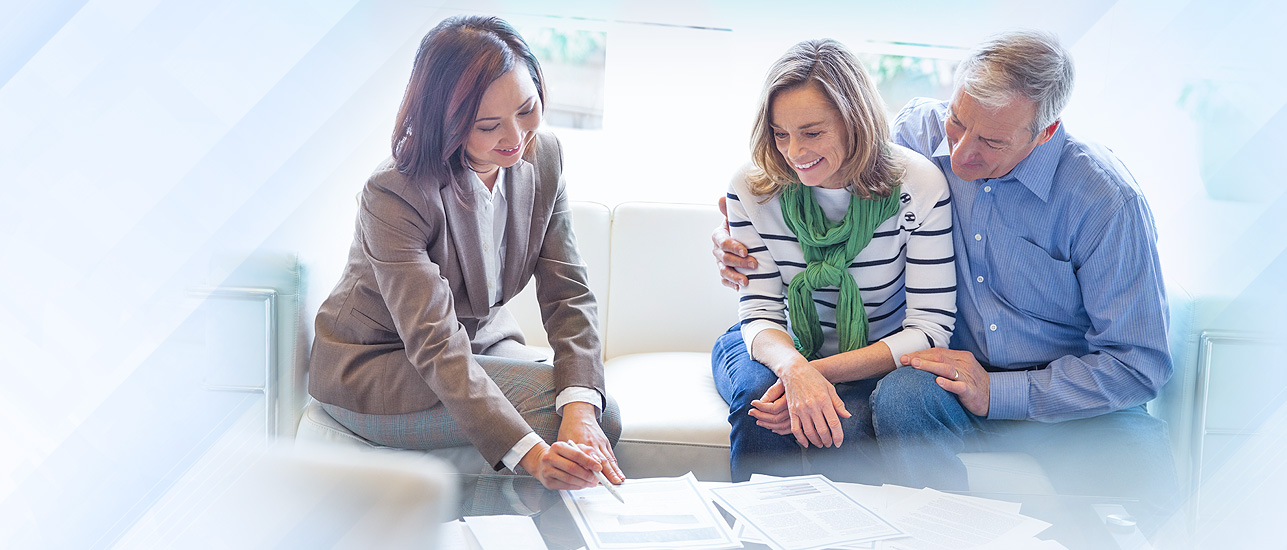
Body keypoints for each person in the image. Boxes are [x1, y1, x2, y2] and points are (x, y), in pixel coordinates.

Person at [714, 30, 1179, 520]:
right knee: (898, 399)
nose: (957, 156)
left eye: (992, 142)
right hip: (945, 370)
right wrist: (728, 237)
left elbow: (1138, 364)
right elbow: (830, 177)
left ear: (1044, 132)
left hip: (1059, 385)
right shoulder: (918, 133)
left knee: (1149, 494)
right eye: (958, 123)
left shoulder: (1104, 201)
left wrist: (998, 392)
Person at [307, 15, 623, 491]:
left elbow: (568, 293)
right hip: (381, 367)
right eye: (488, 125)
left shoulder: (543, 156)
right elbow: (434, 343)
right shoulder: (395, 191)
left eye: (527, 108)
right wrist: (533, 456)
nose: (516, 137)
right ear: (447, 123)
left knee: (590, 411)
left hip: (481, 343)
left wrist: (580, 406)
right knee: (578, 424)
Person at [712, 39, 956, 484]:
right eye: (779, 133)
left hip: (874, 352)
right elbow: (760, 311)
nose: (794, 152)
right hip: (774, 340)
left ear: (854, 121)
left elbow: (929, 327)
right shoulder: (752, 186)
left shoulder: (917, 185)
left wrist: (814, 376)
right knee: (758, 402)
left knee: (841, 423)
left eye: (812, 132)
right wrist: (793, 369)